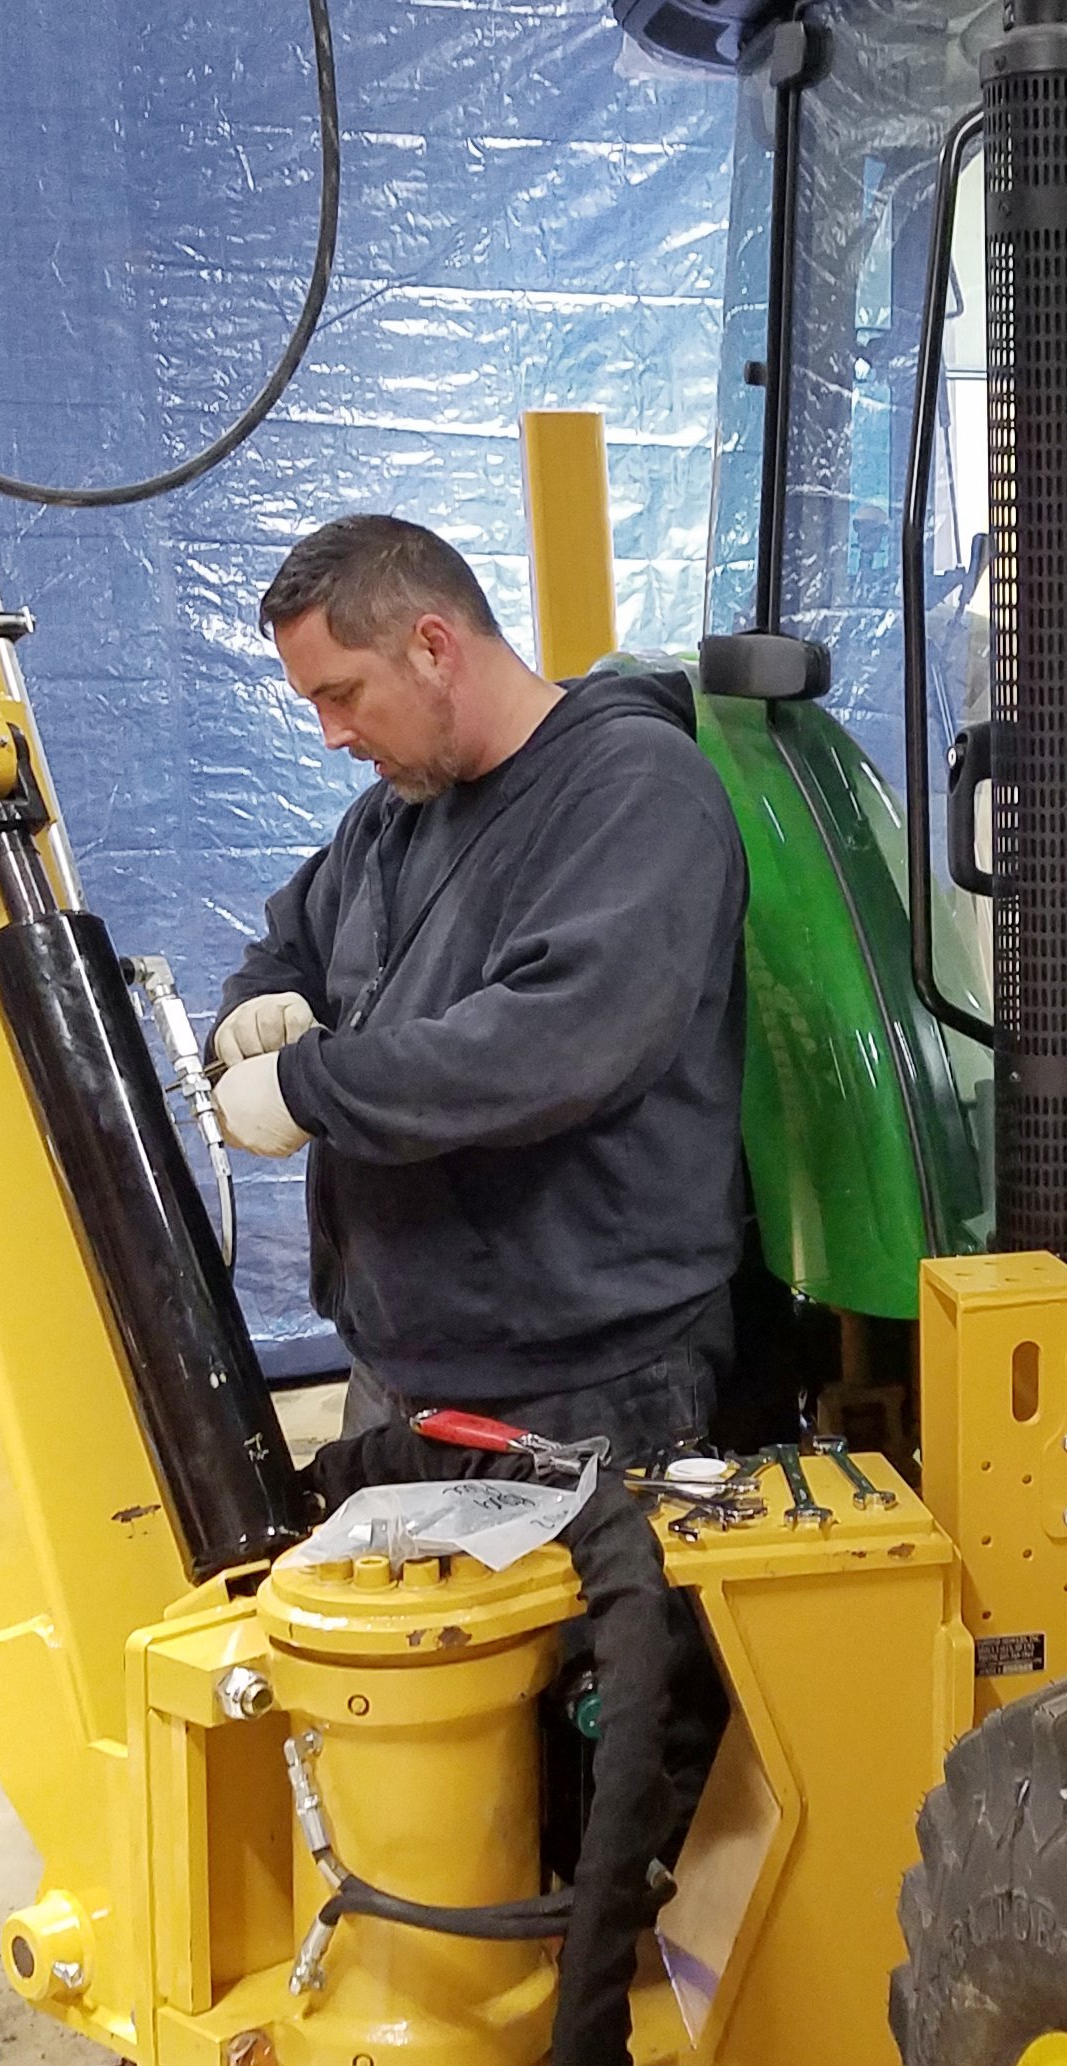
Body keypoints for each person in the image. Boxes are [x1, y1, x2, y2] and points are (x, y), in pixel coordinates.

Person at [214, 514, 747, 1467]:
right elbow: (288, 941)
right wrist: (254, 1018)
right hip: (403, 1365)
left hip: (584, 1382)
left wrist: (308, 1088)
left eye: (343, 695)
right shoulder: (396, 813)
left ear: (432, 646)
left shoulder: (634, 794)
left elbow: (546, 1047)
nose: (333, 734)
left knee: (594, 1620)